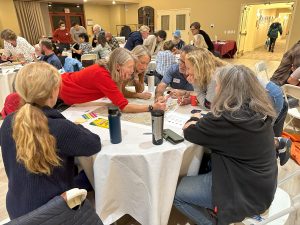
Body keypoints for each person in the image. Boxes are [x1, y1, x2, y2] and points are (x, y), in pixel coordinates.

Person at [174, 64, 278, 225]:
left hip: (242, 191)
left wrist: (194, 119)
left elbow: (190, 131)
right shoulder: (258, 110)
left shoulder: (228, 118)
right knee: (206, 160)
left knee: (177, 194)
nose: (215, 89)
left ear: (226, 90)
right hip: (262, 186)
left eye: (218, 85)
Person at [0, 62, 101, 219]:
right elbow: (94, 144)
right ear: (53, 91)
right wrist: (67, 122)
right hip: (53, 214)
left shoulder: (8, 122)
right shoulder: (59, 127)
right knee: (92, 176)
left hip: (17, 211)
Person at [60, 48, 165, 113]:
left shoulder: (110, 71)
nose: (132, 71)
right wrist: (152, 107)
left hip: (63, 88)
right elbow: (123, 106)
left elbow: (118, 97)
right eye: (130, 67)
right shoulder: (102, 74)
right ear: (118, 66)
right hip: (59, 90)